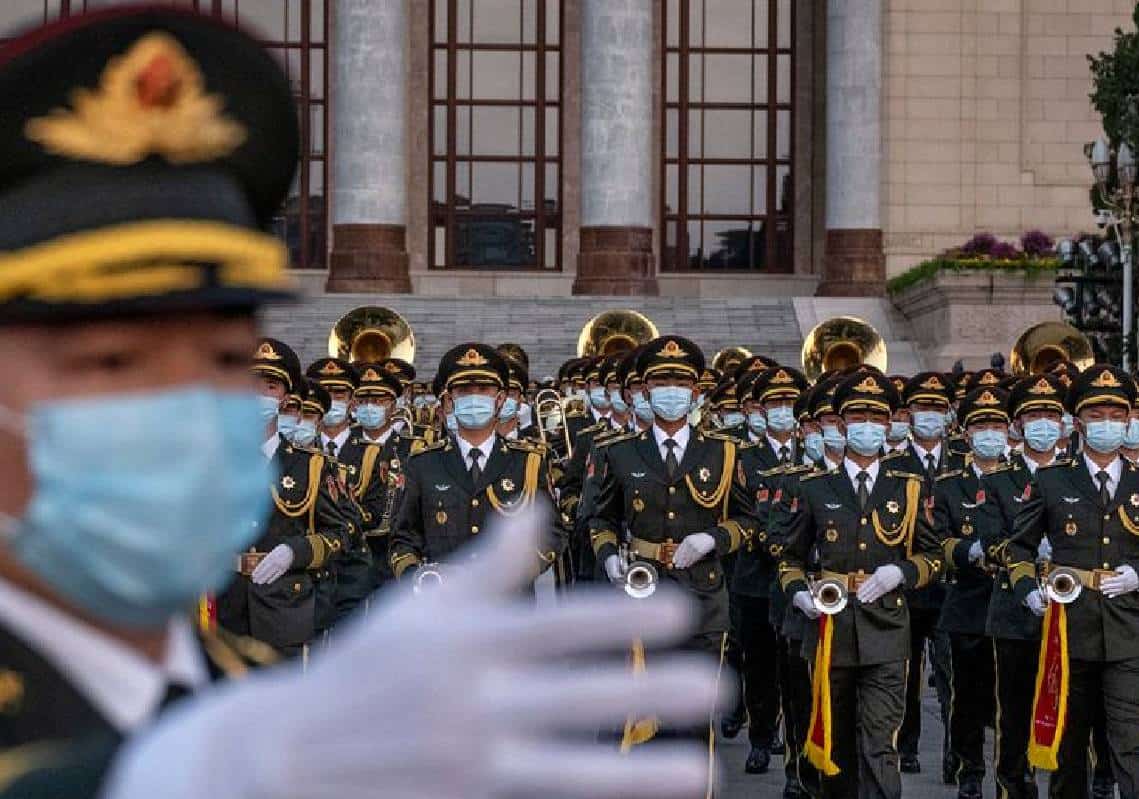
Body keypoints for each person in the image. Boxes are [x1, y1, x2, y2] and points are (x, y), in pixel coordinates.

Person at [588, 335, 759, 765]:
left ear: (696, 391)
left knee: (693, 724)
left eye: (680, 382)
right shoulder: (620, 452)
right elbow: (600, 518)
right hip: (640, 597)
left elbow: (751, 520)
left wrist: (712, 540)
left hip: (703, 596)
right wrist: (609, 557)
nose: (671, 390)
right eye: (661, 381)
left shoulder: (724, 451)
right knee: (642, 718)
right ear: (644, 391)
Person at [775, 369, 942, 799]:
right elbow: (789, 556)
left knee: (879, 743)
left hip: (886, 631)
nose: (867, 424)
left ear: (888, 425)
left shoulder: (907, 487)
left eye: (876, 416)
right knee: (835, 742)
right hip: (829, 630)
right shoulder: (814, 487)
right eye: (857, 416)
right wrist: (798, 594)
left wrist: (901, 573)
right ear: (842, 423)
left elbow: (935, 556)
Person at [1006, 364, 1139, 799]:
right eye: (1097, 415)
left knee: (1130, 742)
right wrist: (1029, 592)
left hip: (1129, 631)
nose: (1107, 423)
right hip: (1069, 630)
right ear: (1078, 422)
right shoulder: (1051, 479)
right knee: (1068, 744)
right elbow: (1018, 547)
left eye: (1116, 415)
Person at [388, 343, 562, 583]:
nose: (473, 397)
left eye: (483, 389)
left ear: (500, 399)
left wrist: (519, 570)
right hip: (442, 603)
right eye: (464, 390)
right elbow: (404, 537)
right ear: (449, 400)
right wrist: (417, 577)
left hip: (510, 603)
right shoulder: (423, 464)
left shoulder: (528, 461)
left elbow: (551, 532)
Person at [984, 373, 1065, 799]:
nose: (1043, 423)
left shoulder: (1077, 476)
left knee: (1071, 707)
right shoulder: (997, 480)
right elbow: (991, 539)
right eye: (1034, 414)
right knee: (1014, 712)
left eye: (1051, 413)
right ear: (1016, 424)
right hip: (1017, 608)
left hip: (1074, 610)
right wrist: (1028, 550)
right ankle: (1012, 787)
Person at [727, 366, 808, 773]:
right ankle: (761, 737)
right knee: (758, 665)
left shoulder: (809, 452)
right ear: (759, 408)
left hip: (801, 582)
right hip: (756, 578)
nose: (782, 411)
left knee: (795, 670)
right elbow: (742, 513)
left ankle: (796, 749)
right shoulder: (742, 457)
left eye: (789, 403)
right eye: (774, 403)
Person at [934, 386, 1009, 799]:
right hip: (967, 604)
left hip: (1016, 605)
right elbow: (938, 542)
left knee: (1009, 697)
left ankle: (1009, 770)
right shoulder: (949, 486)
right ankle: (968, 768)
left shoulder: (1023, 481)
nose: (990, 433)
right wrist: (970, 550)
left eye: (997, 424)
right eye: (982, 425)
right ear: (965, 432)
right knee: (966, 697)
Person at [892, 371, 961, 776]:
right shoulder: (894, 465)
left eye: (937, 407)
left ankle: (955, 753)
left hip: (951, 587)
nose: (930, 415)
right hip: (912, 586)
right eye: (923, 407)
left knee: (953, 677)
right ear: (909, 413)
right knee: (907, 674)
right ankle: (907, 745)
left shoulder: (961, 462)